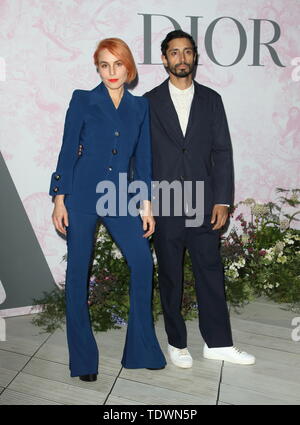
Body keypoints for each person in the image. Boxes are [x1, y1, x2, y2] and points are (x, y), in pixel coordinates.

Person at [49, 38, 166, 381]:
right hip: (81, 195)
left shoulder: (140, 107)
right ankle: (83, 362)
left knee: (143, 263)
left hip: (119, 197)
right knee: (77, 277)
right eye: (104, 65)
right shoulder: (83, 100)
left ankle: (141, 350)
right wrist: (59, 198)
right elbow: (68, 150)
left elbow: (143, 159)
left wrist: (147, 206)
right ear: (97, 68)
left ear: (129, 68)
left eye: (118, 64)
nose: (112, 72)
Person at [143, 30, 255, 368]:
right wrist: (144, 203)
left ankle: (218, 343)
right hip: (164, 203)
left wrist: (222, 200)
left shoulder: (212, 99)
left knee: (210, 270)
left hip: (203, 204)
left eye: (187, 52)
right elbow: (141, 156)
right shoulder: (147, 102)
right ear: (164, 59)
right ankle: (177, 343)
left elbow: (222, 151)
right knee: (171, 276)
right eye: (174, 53)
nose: (181, 58)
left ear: (194, 57)